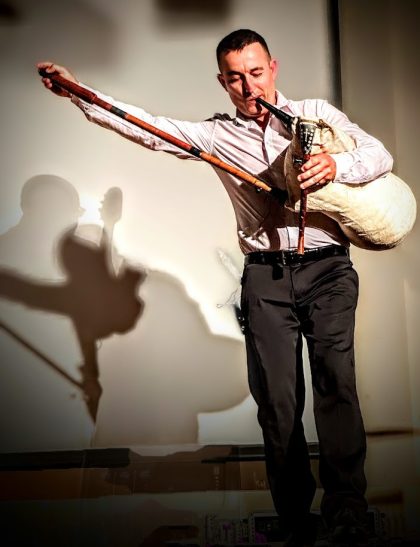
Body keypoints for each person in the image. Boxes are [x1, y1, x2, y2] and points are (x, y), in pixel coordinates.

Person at [37, 29, 393, 546]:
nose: (250, 87)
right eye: (236, 78)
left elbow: (379, 154)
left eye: (256, 73)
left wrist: (339, 164)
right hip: (266, 275)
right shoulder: (217, 135)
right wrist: (78, 92)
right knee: (277, 403)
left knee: (336, 386)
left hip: (329, 269)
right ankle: (295, 517)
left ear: (273, 67)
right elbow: (148, 128)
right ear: (223, 82)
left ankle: (348, 513)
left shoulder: (316, 115)